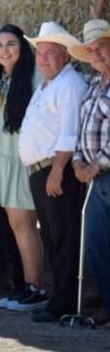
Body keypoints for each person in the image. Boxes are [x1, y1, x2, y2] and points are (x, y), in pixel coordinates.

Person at [14, 22, 86, 322]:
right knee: (55, 236)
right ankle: (60, 298)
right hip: (42, 171)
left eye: (50, 53)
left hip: (57, 171)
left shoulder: (69, 84)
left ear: (66, 56)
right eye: (40, 53)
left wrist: (57, 170)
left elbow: (69, 132)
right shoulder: (49, 84)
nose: (43, 59)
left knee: (64, 237)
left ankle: (65, 302)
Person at [0, 24, 44, 309]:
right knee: (16, 226)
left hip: (22, 160)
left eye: (11, 44)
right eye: (0, 45)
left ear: (23, 47)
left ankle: (36, 289)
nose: (4, 51)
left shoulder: (34, 76)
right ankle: (25, 286)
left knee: (25, 225)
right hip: (1, 158)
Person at [69, 19, 110, 325]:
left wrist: (96, 164)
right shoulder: (93, 85)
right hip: (95, 178)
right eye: (92, 50)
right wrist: (78, 162)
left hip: (103, 172)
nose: (97, 54)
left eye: (102, 47)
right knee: (96, 245)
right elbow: (82, 130)